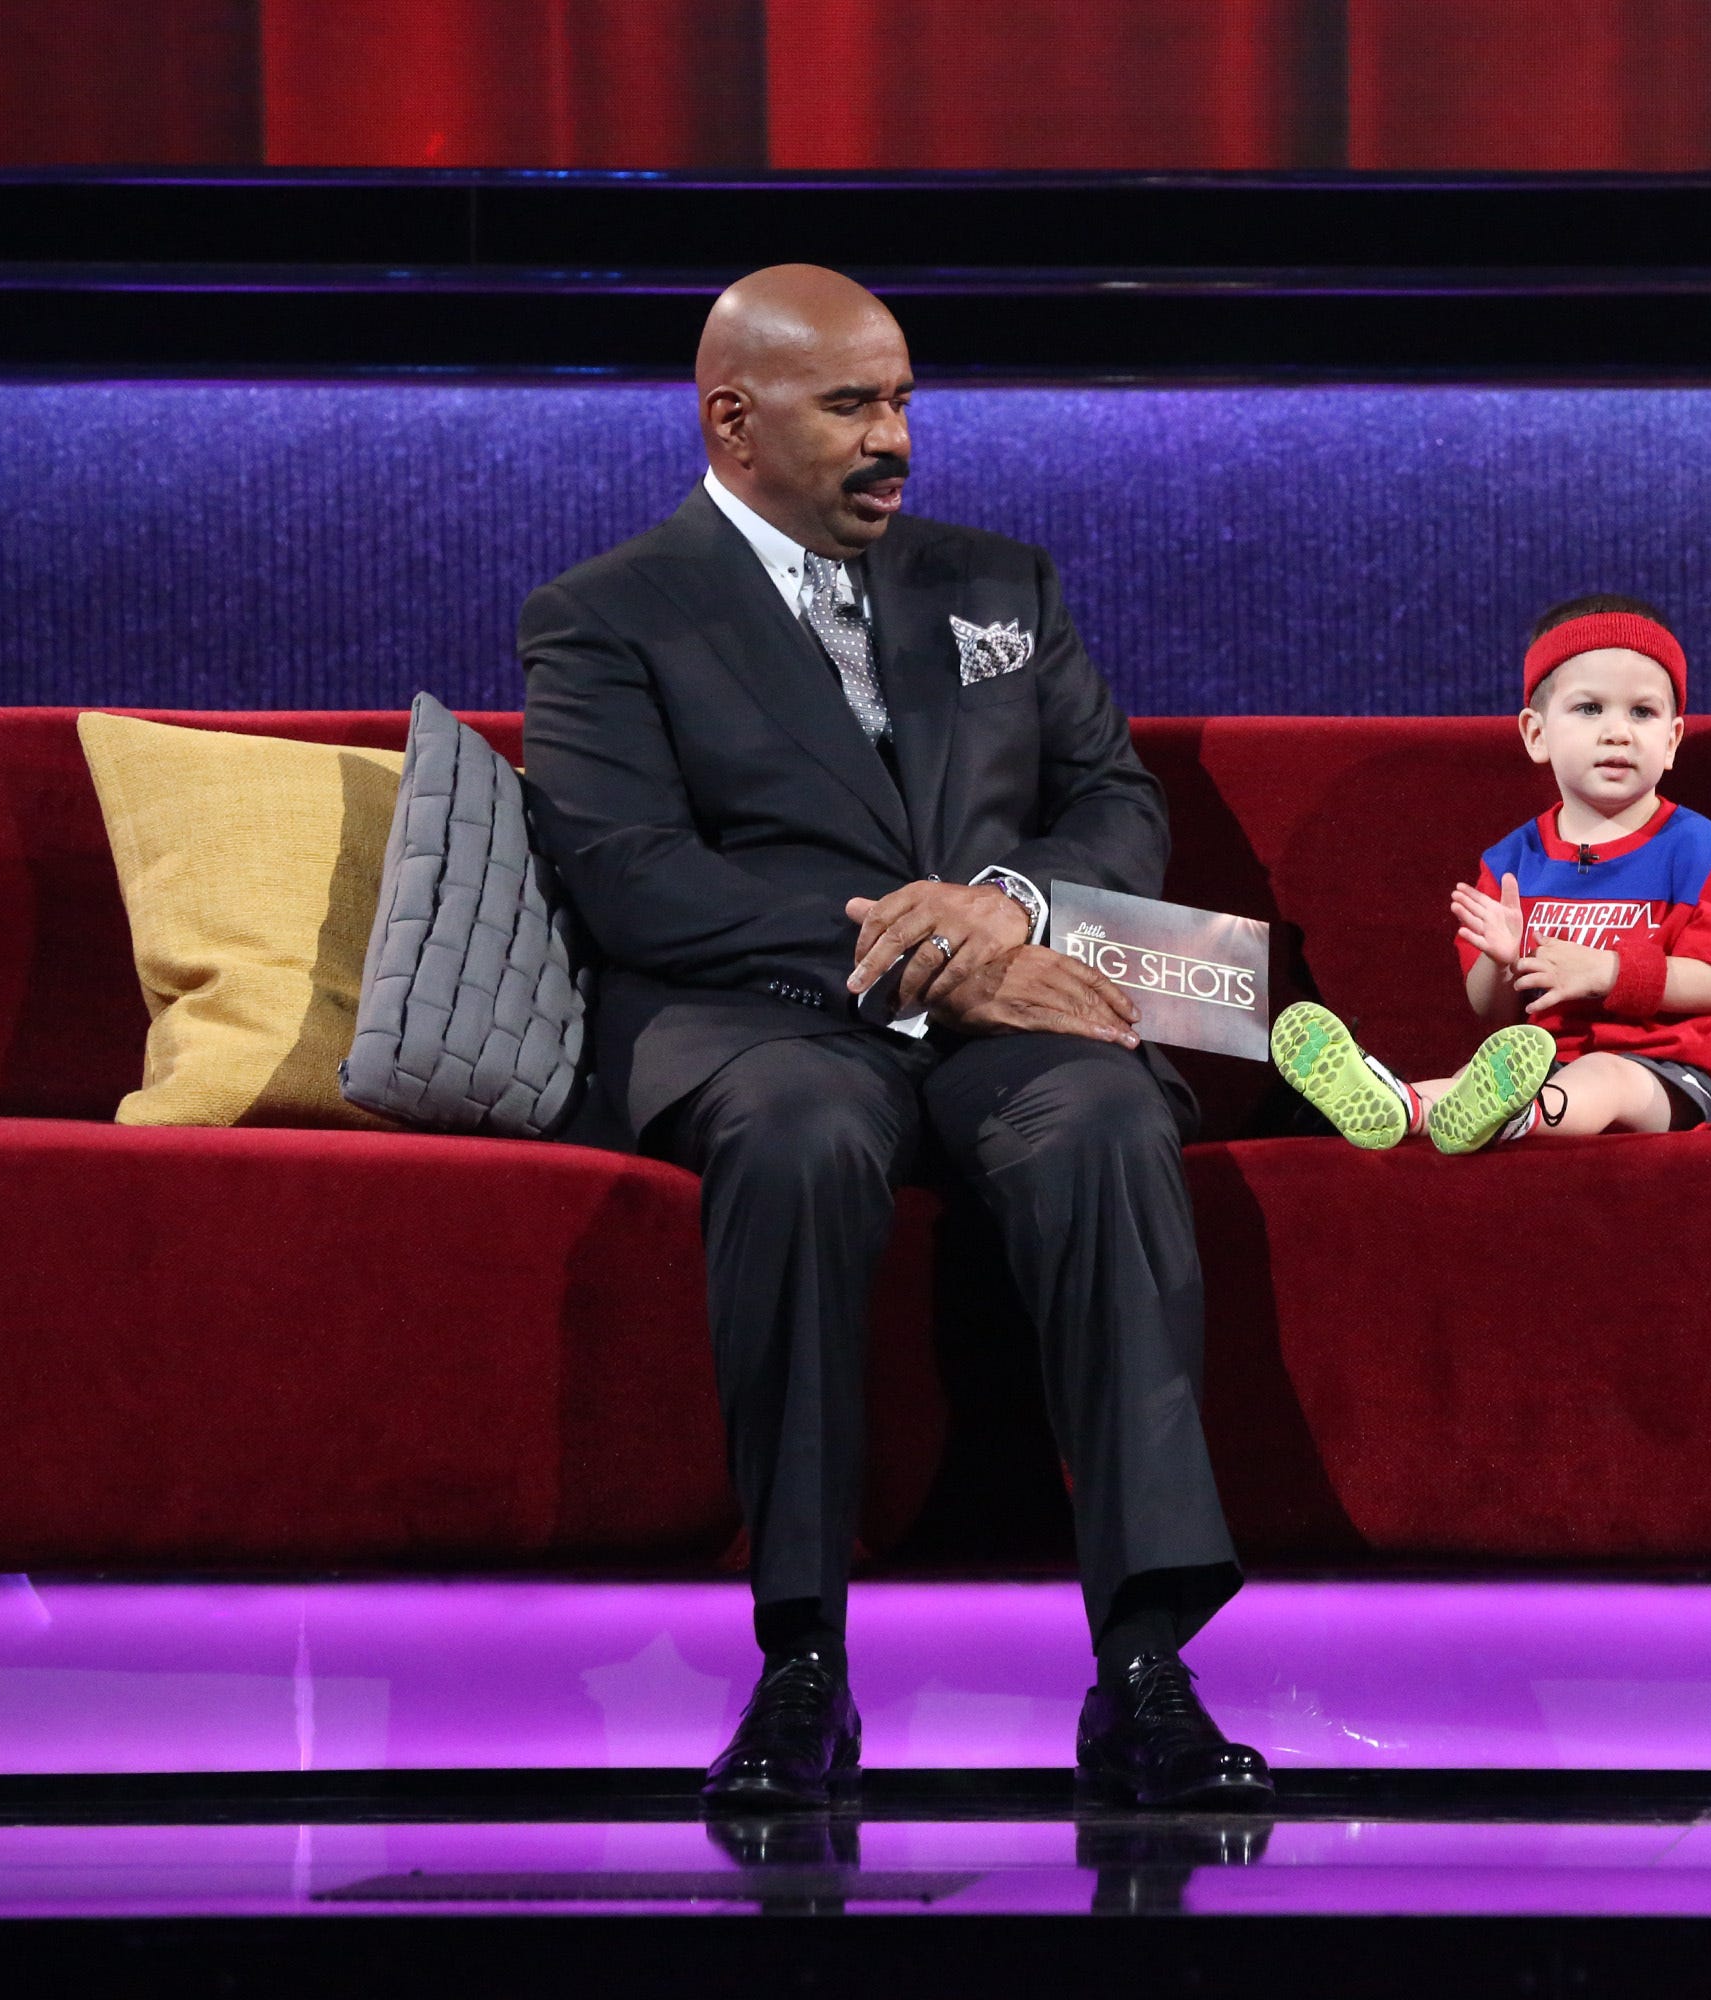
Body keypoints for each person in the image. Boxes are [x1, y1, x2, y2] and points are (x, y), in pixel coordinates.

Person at [519, 265, 1269, 1813]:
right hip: (768, 1019)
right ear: (733, 420)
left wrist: (1000, 911)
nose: (896, 439)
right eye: (853, 405)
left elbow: (1115, 798)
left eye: (904, 400)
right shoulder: (605, 616)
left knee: (1109, 1121)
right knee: (797, 1143)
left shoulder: (1003, 582)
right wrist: (912, 955)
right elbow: (631, 873)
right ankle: (801, 1666)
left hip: (1013, 1002)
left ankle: (1145, 1668)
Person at [1272, 594, 1711, 1151]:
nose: (1618, 732)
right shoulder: (1510, 862)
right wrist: (1504, 964)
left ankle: (1517, 1119)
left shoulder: (1705, 852)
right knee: (1466, 1082)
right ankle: (1398, 1104)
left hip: (1675, 1076)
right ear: (1536, 734)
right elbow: (1494, 1013)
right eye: (1590, 709)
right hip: (1536, 1066)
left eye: (1642, 712)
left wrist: (1608, 972)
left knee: (1607, 1077)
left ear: (1671, 740)